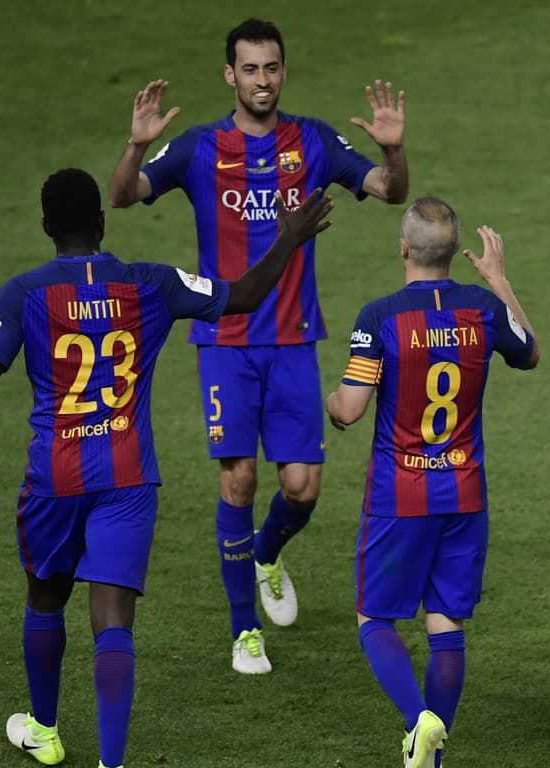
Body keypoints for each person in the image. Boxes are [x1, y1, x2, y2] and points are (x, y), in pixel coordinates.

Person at [0, 169, 332, 768]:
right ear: (102, 221)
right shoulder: (151, 283)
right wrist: (288, 239)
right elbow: (241, 296)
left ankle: (43, 732)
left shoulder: (23, 294)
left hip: (55, 478)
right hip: (127, 475)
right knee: (113, 622)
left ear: (48, 229)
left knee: (46, 597)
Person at [108, 18, 409, 675]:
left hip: (295, 338)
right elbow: (123, 196)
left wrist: (392, 152)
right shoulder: (196, 148)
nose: (262, 80)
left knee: (301, 489)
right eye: (250, 69)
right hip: (224, 338)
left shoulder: (314, 141)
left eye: (271, 68)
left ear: (282, 71)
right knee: (239, 479)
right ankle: (245, 630)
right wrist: (136, 147)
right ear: (230, 76)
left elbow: (391, 192)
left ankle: (267, 554)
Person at [325, 198, 538, 768]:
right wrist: (499, 281)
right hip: (465, 491)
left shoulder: (381, 317)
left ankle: (420, 718)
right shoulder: (482, 308)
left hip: (401, 492)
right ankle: (435, 761)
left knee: (375, 617)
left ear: (404, 247)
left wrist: (332, 408)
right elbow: (531, 351)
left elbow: (352, 405)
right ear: (451, 252)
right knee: (446, 622)